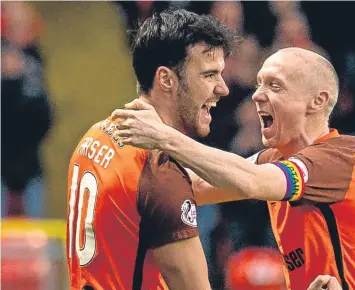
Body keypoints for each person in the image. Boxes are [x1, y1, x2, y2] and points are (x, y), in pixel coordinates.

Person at [112, 47, 355, 290]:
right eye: (258, 84)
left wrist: (164, 137)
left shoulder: (340, 157)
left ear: (317, 101)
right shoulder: (275, 159)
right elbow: (196, 187)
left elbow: (250, 181)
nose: (256, 95)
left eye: (274, 86)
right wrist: (124, 171)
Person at [66, 8, 238, 290]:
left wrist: (267, 169)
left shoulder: (96, 135)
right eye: (209, 75)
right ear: (166, 79)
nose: (223, 88)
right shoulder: (159, 170)